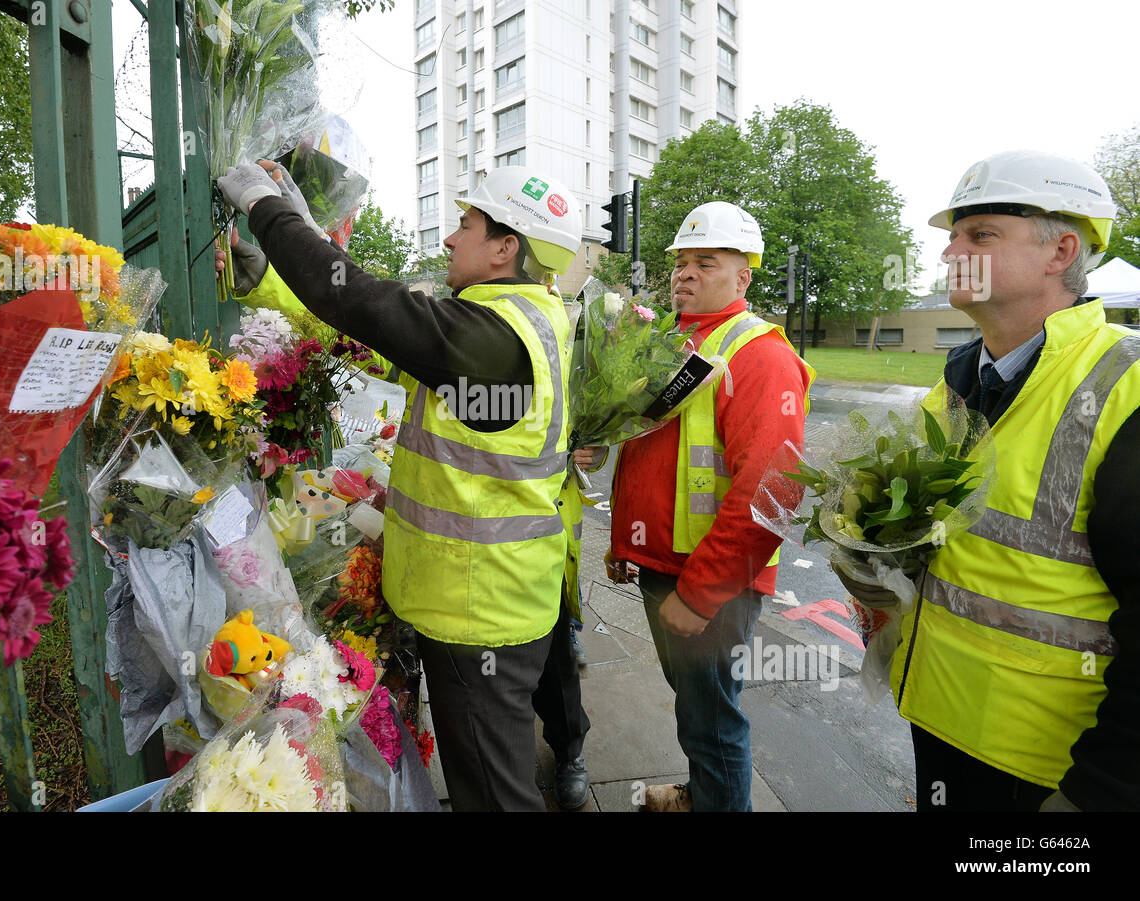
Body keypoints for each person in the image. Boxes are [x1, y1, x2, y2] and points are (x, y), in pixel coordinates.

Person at [218, 162, 590, 811]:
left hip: (478, 613)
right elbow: (376, 316)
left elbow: (358, 300)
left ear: (506, 248)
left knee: (494, 795)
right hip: (498, 593)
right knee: (489, 781)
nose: (450, 238)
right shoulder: (517, 321)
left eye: (466, 225)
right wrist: (292, 248)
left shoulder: (492, 338)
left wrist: (263, 205)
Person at [836, 150, 1139, 812]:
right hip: (938, 725)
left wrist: (1101, 790)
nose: (950, 253)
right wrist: (865, 556)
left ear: (1062, 250)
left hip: (1047, 767)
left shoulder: (1126, 389)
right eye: (951, 237)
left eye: (980, 235)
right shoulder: (951, 389)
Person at [576, 202, 814, 811]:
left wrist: (701, 593)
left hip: (710, 584)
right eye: (681, 262)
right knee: (696, 708)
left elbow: (775, 490)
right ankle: (701, 794)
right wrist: (626, 544)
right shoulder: (668, 343)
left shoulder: (760, 355)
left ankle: (715, 799)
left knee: (713, 723)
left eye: (705, 262)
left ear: (745, 277)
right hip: (667, 567)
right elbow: (654, 451)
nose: (685, 274)